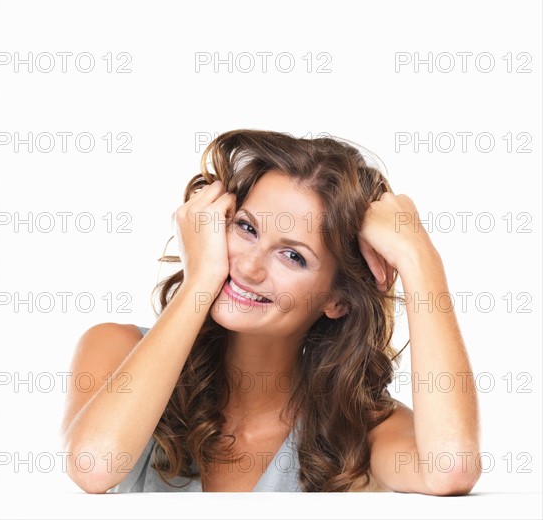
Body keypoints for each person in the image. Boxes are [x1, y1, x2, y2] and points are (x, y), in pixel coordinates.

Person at [60, 129, 480, 494]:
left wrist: (420, 258)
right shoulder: (115, 346)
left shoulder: (360, 429)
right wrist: (199, 281)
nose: (247, 267)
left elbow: (450, 468)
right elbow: (94, 466)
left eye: (292, 256)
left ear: (338, 300)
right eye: (245, 227)